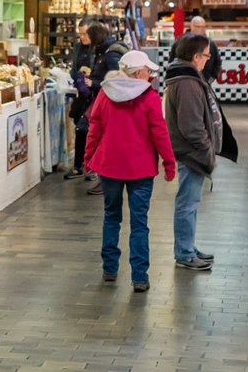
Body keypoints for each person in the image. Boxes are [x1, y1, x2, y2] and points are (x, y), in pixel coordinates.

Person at [84, 51, 177, 292]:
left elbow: (95, 128)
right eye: (148, 71)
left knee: (111, 216)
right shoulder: (149, 97)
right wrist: (169, 163)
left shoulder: (105, 93)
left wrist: (88, 158)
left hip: (110, 166)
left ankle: (110, 269)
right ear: (138, 73)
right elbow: (159, 132)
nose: (151, 75)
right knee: (139, 223)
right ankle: (139, 276)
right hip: (141, 168)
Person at [164, 34, 237, 272]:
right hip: (192, 154)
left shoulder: (189, 78)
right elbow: (191, 126)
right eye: (206, 55)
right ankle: (184, 253)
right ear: (196, 57)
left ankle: (188, 247)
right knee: (187, 203)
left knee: (191, 203)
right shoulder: (187, 83)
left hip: (193, 153)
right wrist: (207, 150)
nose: (208, 60)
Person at [83, 21, 130, 196]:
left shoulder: (110, 54)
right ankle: (103, 178)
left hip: (108, 101)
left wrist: (93, 82)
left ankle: (105, 180)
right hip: (106, 100)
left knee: (104, 140)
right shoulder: (106, 50)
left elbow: (116, 80)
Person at [65, 19, 96, 180]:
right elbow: (73, 69)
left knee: (92, 130)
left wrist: (92, 74)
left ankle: (92, 167)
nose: (82, 37)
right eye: (80, 34)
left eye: (85, 33)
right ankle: (78, 166)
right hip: (81, 93)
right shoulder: (77, 48)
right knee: (79, 128)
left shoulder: (98, 48)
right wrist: (78, 75)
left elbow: (102, 72)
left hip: (94, 95)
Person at [170, 16, 222, 82]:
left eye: (203, 27)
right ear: (192, 26)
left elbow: (217, 62)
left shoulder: (210, 43)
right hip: (183, 81)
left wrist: (210, 80)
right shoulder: (180, 42)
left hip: (204, 81)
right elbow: (172, 62)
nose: (202, 30)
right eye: (199, 27)